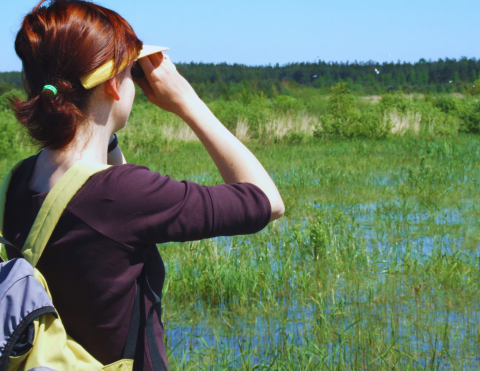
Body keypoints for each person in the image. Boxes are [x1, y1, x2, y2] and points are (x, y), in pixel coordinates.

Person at [3, 0, 284, 370]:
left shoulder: (20, 179)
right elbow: (266, 200)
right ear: (113, 87)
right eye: (131, 71)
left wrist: (106, 134)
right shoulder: (124, 194)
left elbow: (96, 201)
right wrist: (187, 102)